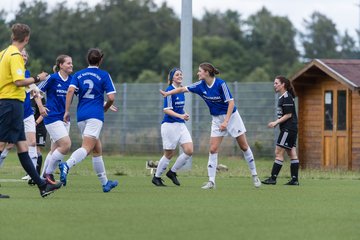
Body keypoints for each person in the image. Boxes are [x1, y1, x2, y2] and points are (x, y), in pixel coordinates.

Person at [160, 62, 261, 189]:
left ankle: (255, 176)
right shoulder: (200, 85)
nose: (197, 73)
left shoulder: (220, 84)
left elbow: (231, 103)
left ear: (206, 72)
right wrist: (167, 94)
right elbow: (182, 89)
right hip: (216, 119)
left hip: (232, 117)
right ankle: (211, 181)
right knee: (213, 149)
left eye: (199, 71)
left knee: (244, 146)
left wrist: (226, 121)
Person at [0, 23, 62, 198]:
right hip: (11, 103)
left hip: (11, 104)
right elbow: (19, 81)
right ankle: (42, 185)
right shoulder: (15, 55)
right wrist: (38, 78)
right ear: (26, 39)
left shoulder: (3, 53)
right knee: (2, 144)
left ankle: (42, 186)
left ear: (13, 36)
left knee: (22, 147)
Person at [59, 48, 118, 193]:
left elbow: (71, 91)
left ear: (88, 60)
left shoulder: (78, 74)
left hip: (82, 116)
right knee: (86, 148)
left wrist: (67, 110)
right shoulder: (104, 75)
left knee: (96, 148)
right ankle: (67, 165)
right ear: (100, 60)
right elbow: (111, 98)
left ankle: (105, 183)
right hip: (95, 116)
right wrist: (106, 107)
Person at [152, 68, 193, 187]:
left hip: (180, 125)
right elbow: (166, 110)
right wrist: (181, 115)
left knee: (189, 150)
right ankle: (157, 177)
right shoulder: (169, 90)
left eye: (181, 74)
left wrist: (184, 114)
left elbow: (179, 108)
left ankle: (172, 172)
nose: (180, 76)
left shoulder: (181, 90)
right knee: (169, 154)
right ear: (172, 78)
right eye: (177, 75)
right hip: (169, 125)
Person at [37, 55, 73, 184]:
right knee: (66, 145)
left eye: (71, 63)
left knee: (54, 151)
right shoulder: (52, 78)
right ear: (61, 65)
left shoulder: (72, 80)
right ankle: (48, 174)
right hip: (52, 118)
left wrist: (103, 102)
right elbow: (36, 91)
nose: (71, 65)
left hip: (65, 119)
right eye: (68, 63)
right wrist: (41, 107)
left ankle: (41, 179)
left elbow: (85, 94)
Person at [262, 76, 300, 186]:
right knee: (291, 153)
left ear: (283, 84)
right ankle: (294, 180)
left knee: (278, 152)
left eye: (276, 83)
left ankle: (273, 178)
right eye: (274, 83)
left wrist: (276, 122)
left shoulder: (287, 97)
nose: (274, 85)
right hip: (290, 128)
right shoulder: (283, 97)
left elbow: (288, 115)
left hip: (288, 129)